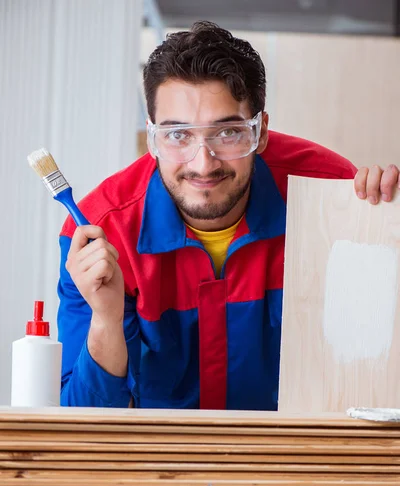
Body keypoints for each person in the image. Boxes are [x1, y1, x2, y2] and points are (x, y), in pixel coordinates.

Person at [58, 21, 400, 410]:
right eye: (177, 134)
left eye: (228, 133)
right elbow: (82, 421)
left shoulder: (332, 195)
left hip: (297, 456)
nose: (203, 164)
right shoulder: (100, 233)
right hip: (164, 464)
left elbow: (375, 377)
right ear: (152, 136)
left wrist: (383, 231)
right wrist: (106, 319)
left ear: (261, 132)